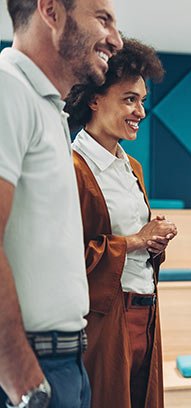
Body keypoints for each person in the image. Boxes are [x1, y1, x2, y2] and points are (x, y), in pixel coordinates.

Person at [0, 0, 122, 407]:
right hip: (32, 364)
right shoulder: (8, 88)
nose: (115, 40)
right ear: (51, 11)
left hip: (66, 358)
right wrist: (24, 382)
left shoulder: (49, 105)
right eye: (102, 19)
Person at [63, 37, 174, 408]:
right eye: (130, 99)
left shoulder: (132, 168)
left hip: (146, 312)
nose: (141, 111)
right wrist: (138, 240)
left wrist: (153, 243)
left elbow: (133, 245)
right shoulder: (71, 168)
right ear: (93, 99)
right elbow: (67, 258)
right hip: (103, 321)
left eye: (142, 100)